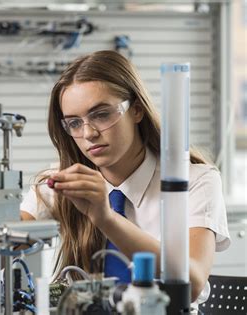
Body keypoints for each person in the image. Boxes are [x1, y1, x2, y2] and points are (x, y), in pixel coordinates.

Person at [20, 50, 230, 306]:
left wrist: (105, 217)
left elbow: (192, 283)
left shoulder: (195, 180)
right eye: (74, 123)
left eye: (101, 114)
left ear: (137, 110)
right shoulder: (66, 182)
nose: (88, 133)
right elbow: (4, 240)